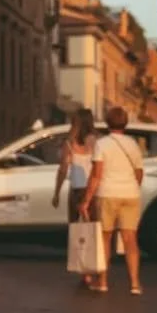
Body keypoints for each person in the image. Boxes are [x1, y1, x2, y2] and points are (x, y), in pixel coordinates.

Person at [82, 106, 145, 294]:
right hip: (130, 193)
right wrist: (132, 186)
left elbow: (96, 175)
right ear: (125, 123)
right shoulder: (133, 144)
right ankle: (134, 283)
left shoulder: (102, 144)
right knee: (130, 239)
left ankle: (102, 282)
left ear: (108, 123)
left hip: (107, 193)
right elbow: (139, 172)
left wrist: (86, 199)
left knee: (105, 238)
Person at [51, 109, 101, 291]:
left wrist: (56, 192)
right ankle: (99, 270)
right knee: (95, 231)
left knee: (79, 233)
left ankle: (85, 273)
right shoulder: (97, 142)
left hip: (77, 191)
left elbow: (63, 169)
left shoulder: (70, 144)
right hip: (95, 190)